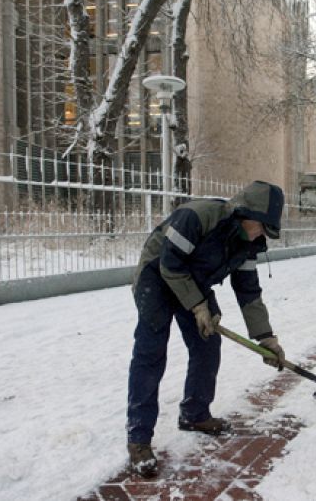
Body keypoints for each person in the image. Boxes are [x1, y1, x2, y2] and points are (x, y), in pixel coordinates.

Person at [126, 181, 286, 478]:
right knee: (150, 353)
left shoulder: (246, 244)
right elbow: (170, 264)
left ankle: (194, 414)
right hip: (157, 277)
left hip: (194, 282)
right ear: (247, 215)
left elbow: (249, 292)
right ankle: (139, 439)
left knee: (207, 344)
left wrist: (267, 338)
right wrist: (199, 307)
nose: (263, 235)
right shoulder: (199, 216)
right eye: (263, 227)